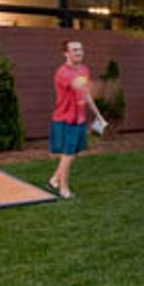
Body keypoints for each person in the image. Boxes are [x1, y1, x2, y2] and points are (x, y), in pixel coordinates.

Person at [48, 38, 105, 200]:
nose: (79, 52)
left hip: (79, 118)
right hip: (66, 119)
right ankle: (63, 189)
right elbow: (77, 85)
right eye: (74, 50)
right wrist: (101, 88)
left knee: (73, 153)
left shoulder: (84, 69)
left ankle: (54, 179)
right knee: (68, 154)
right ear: (65, 53)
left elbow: (85, 93)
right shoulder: (62, 72)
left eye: (80, 49)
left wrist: (98, 114)